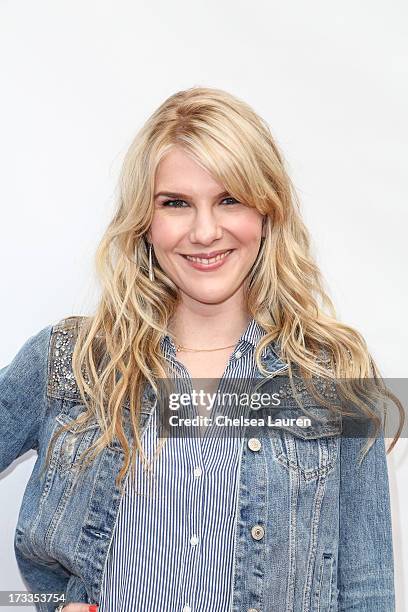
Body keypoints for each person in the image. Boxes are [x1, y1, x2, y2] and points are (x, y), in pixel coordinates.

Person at [0, 86, 403, 612]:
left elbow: (366, 592)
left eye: (229, 199)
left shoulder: (335, 373)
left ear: (266, 211)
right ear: (145, 221)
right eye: (176, 204)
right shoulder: (70, 363)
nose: (206, 231)